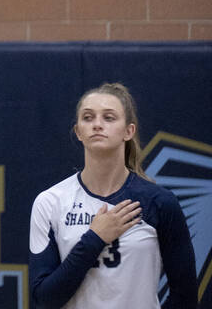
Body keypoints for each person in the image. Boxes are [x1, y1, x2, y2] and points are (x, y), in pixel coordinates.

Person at [29, 80, 197, 308]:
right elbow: (43, 299)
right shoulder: (50, 202)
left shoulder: (159, 202)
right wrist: (95, 239)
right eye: (88, 118)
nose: (97, 124)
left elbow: (185, 297)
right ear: (78, 132)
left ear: (129, 131)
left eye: (108, 117)